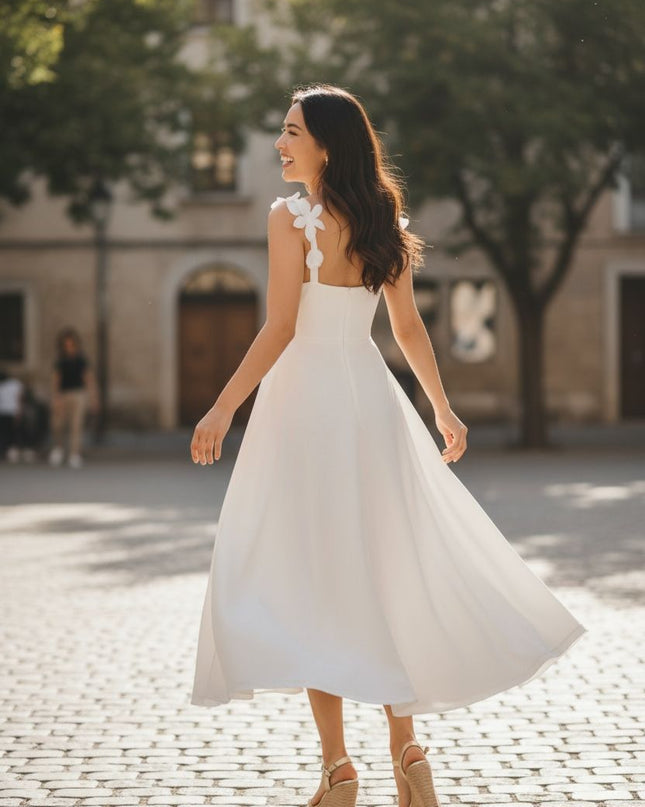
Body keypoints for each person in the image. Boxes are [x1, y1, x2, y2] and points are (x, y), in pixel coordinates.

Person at [188, 84, 587, 807]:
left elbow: (280, 326)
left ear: (326, 144)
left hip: (304, 405)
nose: (278, 144)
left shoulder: (290, 218)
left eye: (290, 131)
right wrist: (441, 409)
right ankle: (409, 755)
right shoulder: (381, 220)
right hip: (369, 402)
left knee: (316, 581)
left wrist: (220, 407)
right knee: (378, 572)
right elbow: (405, 330)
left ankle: (339, 770)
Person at [48, 327, 99, 469]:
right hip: (63, 394)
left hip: (79, 394)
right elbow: (55, 380)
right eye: (66, 344)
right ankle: (58, 448)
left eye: (71, 344)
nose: (69, 347)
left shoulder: (81, 359)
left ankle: (74, 454)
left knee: (76, 425)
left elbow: (89, 379)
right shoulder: (60, 360)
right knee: (57, 423)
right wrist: (55, 397)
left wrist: (94, 397)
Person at [0, 367, 24, 462]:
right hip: (9, 411)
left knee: (5, 432)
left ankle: (5, 450)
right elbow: (19, 398)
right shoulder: (15, 384)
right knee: (9, 432)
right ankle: (7, 450)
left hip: (5, 411)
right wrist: (19, 411)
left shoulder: (12, 384)